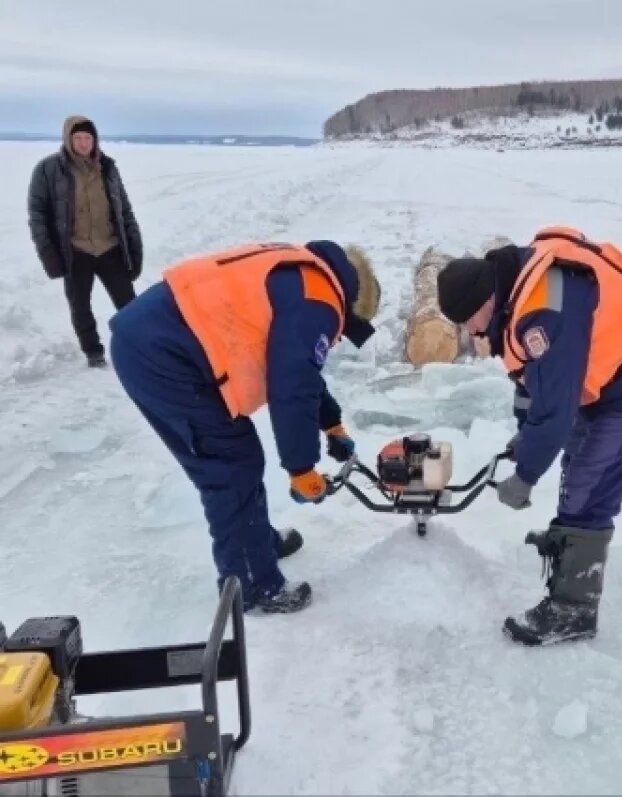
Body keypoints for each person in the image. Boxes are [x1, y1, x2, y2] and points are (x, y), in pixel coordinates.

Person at [436, 225, 622, 646]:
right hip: (605, 379)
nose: (472, 332)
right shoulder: (515, 291)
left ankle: (573, 608)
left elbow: (555, 409)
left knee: (591, 484)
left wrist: (527, 475)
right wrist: (526, 439)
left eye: (468, 321)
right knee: (576, 465)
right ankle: (571, 547)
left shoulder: (541, 313)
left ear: (484, 302)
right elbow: (534, 384)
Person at [107, 240, 381, 614]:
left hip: (157, 340)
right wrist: (301, 468)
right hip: (165, 356)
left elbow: (300, 369)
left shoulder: (305, 276)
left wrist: (331, 423)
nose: (336, 340)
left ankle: (256, 546)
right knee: (231, 465)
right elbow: (292, 383)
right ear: (351, 306)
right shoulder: (320, 302)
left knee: (238, 457)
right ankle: (252, 584)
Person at [27, 115, 143, 368]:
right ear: (68, 139)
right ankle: (94, 352)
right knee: (80, 306)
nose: (82, 143)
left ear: (95, 139)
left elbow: (124, 211)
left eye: (87, 137)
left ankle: (140, 347)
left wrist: (135, 248)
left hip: (109, 247)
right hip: (75, 251)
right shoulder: (48, 169)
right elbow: (37, 215)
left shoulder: (108, 168)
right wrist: (48, 252)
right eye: (77, 138)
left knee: (130, 306)